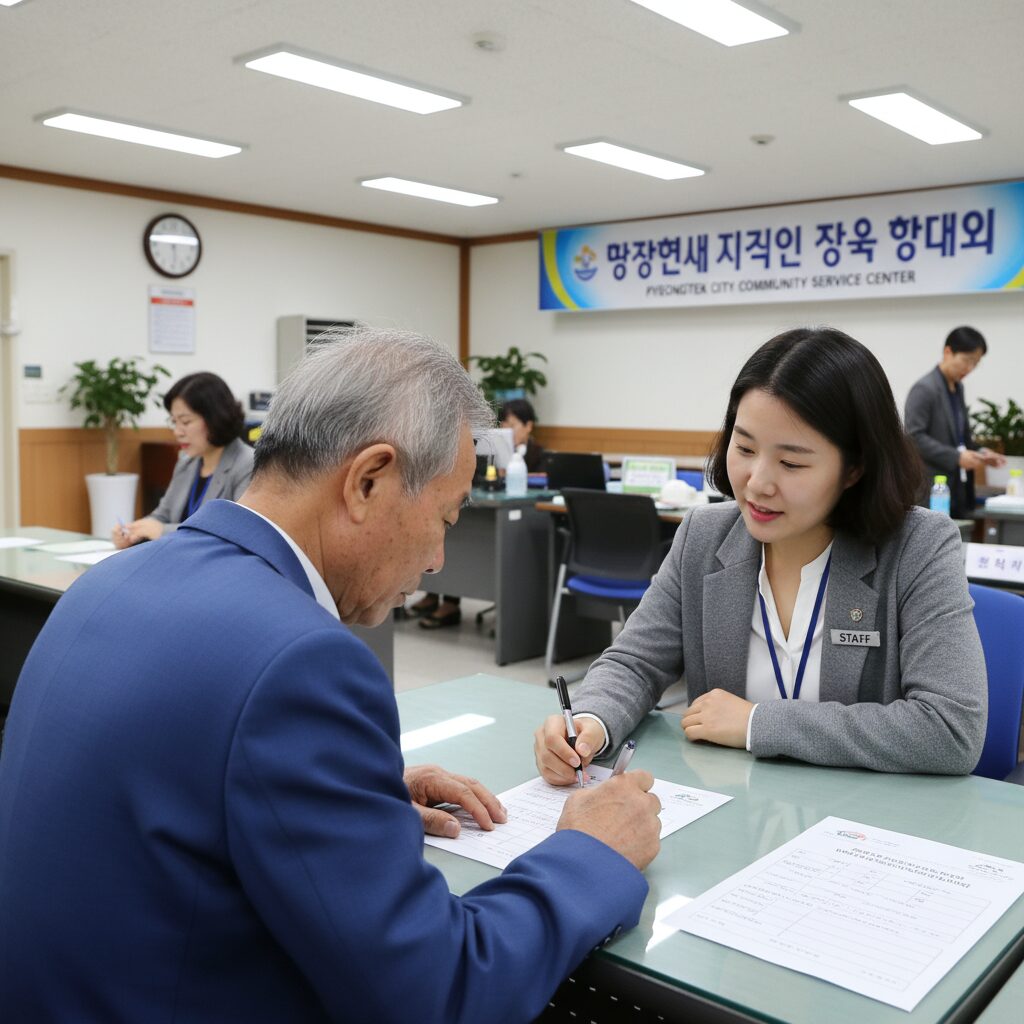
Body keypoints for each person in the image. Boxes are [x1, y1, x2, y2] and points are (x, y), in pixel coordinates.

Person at [0, 329, 661, 1023]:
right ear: (368, 480)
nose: (438, 560)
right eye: (444, 517)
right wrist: (589, 852)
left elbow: (173, 784)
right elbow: (441, 994)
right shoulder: (302, 661)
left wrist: (353, 795)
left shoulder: (110, 581)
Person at [535, 327, 987, 783]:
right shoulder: (704, 536)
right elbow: (635, 662)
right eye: (745, 448)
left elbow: (952, 728)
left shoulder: (918, 547)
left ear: (854, 468)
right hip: (733, 810)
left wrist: (758, 723)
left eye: (791, 463)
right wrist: (590, 722)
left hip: (862, 817)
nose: (757, 482)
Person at [410, 398, 547, 628]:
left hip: (522, 518)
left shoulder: (538, 454)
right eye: (504, 424)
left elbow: (544, 482)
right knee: (458, 540)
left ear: (528, 426)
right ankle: (435, 594)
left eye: (513, 425)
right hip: (490, 510)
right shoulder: (494, 452)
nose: (507, 430)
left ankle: (451, 602)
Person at [112, 371, 254, 548]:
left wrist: (162, 531)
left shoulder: (248, 464)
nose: (177, 432)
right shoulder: (187, 462)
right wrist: (134, 532)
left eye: (185, 422)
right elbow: (162, 516)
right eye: (174, 422)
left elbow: (234, 532)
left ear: (216, 418)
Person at [905, 326, 1005, 518]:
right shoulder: (925, 389)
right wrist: (956, 457)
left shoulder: (958, 388)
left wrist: (983, 453)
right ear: (948, 352)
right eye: (967, 360)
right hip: (931, 490)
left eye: (975, 363)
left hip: (958, 489)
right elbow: (914, 437)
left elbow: (962, 440)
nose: (969, 368)